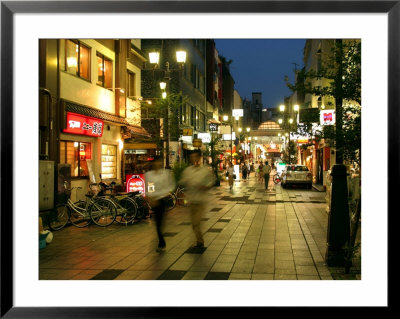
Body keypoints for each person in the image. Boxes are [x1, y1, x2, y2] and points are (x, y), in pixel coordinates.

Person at [180, 151, 215, 248]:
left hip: (201, 201)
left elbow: (211, 182)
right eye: (192, 157)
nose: (194, 159)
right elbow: (183, 182)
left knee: (196, 222)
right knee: (193, 223)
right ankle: (199, 240)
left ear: (199, 158)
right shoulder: (187, 171)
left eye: (196, 156)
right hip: (191, 200)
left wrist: (205, 187)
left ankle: (200, 241)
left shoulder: (205, 171)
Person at [144, 156, 176, 252]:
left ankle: (161, 241)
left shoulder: (165, 173)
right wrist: (150, 197)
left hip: (163, 199)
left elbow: (171, 185)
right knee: (157, 222)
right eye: (156, 162)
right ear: (153, 163)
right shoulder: (149, 175)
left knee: (160, 221)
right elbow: (149, 188)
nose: (157, 164)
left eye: (159, 162)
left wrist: (166, 193)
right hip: (154, 200)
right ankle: (161, 241)